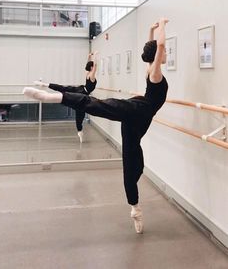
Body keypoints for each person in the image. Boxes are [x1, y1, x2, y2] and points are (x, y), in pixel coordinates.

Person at [23, 18, 169, 234]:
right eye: (162, 53)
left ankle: (135, 209)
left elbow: (154, 50)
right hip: (138, 111)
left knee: (133, 163)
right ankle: (53, 97)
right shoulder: (155, 73)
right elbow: (160, 47)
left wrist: (150, 28)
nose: (165, 54)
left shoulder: (150, 68)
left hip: (140, 119)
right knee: (99, 105)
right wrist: (163, 26)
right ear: (157, 56)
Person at [33, 52, 98, 143]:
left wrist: (89, 57)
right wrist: (95, 56)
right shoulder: (91, 76)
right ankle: (79, 131)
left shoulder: (87, 74)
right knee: (79, 113)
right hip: (83, 94)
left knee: (63, 88)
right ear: (92, 68)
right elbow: (95, 65)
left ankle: (44, 84)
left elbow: (89, 66)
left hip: (79, 89)